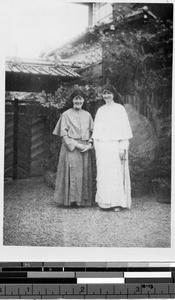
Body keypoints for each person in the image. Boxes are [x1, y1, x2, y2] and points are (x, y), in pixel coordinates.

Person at [92, 84, 133, 212]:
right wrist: (97, 146)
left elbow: (124, 129)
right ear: (101, 95)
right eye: (104, 93)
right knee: (104, 175)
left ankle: (116, 203)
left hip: (115, 147)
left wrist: (122, 147)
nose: (106, 96)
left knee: (116, 174)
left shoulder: (120, 109)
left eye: (109, 93)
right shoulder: (100, 110)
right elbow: (97, 132)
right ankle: (104, 202)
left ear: (113, 94)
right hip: (103, 148)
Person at [52, 89, 94, 207]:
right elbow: (64, 135)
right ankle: (70, 201)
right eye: (76, 98)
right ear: (72, 100)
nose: (78, 101)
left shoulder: (88, 115)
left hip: (85, 149)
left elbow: (93, 132)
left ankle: (82, 201)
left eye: (80, 98)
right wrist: (77, 145)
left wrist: (89, 145)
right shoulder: (65, 114)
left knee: (83, 175)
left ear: (84, 101)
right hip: (71, 148)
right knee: (72, 174)